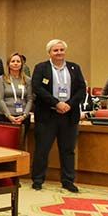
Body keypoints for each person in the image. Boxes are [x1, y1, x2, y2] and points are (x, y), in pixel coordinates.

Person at [31, 39, 86, 193]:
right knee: (42, 149)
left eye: (61, 50)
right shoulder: (41, 68)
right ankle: (37, 179)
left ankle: (68, 181)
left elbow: (82, 89)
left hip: (69, 115)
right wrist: (56, 103)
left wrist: (69, 104)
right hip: (47, 115)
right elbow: (37, 88)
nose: (59, 53)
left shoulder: (74, 68)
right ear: (49, 52)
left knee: (68, 150)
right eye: (56, 50)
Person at [0, 52, 33, 137]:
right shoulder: (2, 79)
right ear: (8, 64)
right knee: (5, 145)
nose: (15, 63)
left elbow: (30, 99)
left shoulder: (27, 80)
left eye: (18, 61)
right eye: (13, 61)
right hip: (5, 116)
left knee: (20, 144)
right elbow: (0, 99)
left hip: (22, 117)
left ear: (22, 64)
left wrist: (24, 115)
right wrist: (9, 116)